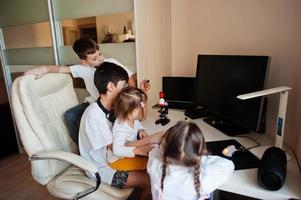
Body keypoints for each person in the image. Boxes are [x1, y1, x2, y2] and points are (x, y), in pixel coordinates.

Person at [24, 37, 150, 143]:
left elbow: (129, 76)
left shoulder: (111, 62)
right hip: (96, 103)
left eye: (99, 54)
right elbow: (60, 69)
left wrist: (134, 93)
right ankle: (82, 146)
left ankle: (127, 138)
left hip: (115, 102)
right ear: (84, 61)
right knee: (70, 116)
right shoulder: (83, 69)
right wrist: (44, 69)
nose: (100, 59)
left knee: (123, 119)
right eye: (94, 59)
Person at [79, 62, 152, 200]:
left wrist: (142, 131)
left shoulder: (114, 106)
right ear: (111, 87)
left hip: (117, 158)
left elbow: (134, 120)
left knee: (156, 166)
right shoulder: (94, 116)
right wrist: (150, 141)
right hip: (103, 169)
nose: (127, 89)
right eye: (124, 86)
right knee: (152, 179)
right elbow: (116, 148)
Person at [147, 121, 234, 200]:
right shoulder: (202, 180)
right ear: (199, 151)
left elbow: (154, 150)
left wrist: (159, 139)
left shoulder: (154, 165)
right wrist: (199, 157)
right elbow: (228, 164)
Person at [108, 87, 163, 171]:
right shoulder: (121, 129)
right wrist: (138, 151)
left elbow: (137, 123)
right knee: (150, 165)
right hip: (118, 160)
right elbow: (117, 149)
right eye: (142, 108)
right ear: (135, 111)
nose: (143, 110)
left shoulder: (129, 118)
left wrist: (141, 130)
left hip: (129, 150)